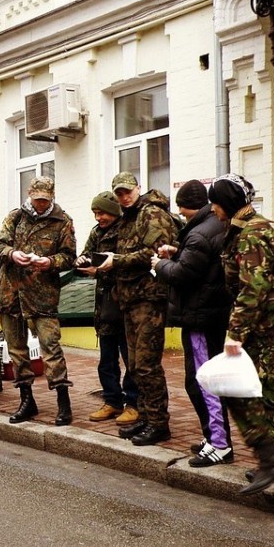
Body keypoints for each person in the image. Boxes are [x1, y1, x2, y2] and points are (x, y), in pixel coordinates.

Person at [208, 173, 274, 494]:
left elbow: (254, 288)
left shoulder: (251, 235)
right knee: (265, 394)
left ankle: (272, 460)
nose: (213, 210)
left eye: (215, 203)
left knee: (243, 394)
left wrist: (234, 335)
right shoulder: (252, 228)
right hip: (270, 323)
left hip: (262, 326)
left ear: (227, 203)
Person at [153, 179, 234, 466]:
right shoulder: (215, 226)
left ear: (192, 206)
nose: (180, 213)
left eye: (182, 208)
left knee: (201, 380)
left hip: (200, 316)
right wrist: (177, 254)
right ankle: (213, 436)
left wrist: (159, 264)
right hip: (211, 313)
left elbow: (183, 274)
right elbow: (201, 264)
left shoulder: (199, 233)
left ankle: (220, 444)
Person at [103, 172, 178, 446]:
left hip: (149, 299)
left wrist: (116, 262)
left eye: (127, 191)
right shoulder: (128, 218)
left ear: (138, 188)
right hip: (131, 299)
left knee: (147, 365)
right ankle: (146, 419)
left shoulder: (151, 214)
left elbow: (155, 253)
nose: (123, 197)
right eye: (119, 194)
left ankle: (159, 423)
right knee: (135, 365)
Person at [0, 176, 76, 425]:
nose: (40, 204)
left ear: (51, 197)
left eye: (45, 200)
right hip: (11, 293)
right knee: (17, 350)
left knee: (51, 347)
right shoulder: (15, 217)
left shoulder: (62, 222)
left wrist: (50, 262)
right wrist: (12, 254)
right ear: (29, 194)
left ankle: (63, 401)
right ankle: (26, 400)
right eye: (37, 199)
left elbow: (69, 256)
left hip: (42, 295)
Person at [75, 191, 138, 425]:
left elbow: (131, 262)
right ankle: (112, 401)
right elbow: (86, 254)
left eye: (101, 212)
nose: (98, 217)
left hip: (123, 302)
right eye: (95, 213)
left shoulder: (126, 229)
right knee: (107, 359)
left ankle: (133, 404)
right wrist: (81, 261)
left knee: (129, 357)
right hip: (103, 304)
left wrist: (103, 268)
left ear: (112, 212)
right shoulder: (96, 232)